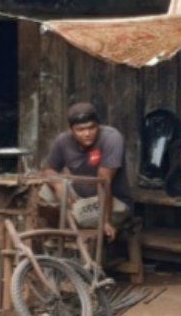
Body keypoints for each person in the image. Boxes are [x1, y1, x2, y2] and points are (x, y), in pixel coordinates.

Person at [42, 102, 132, 241]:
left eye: (92, 128)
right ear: (71, 130)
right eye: (80, 130)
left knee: (76, 216)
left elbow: (104, 182)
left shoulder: (111, 138)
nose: (87, 133)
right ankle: (64, 224)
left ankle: (65, 227)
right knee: (42, 194)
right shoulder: (63, 140)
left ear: (98, 125)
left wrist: (105, 221)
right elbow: (49, 170)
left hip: (113, 201)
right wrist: (58, 185)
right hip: (80, 197)